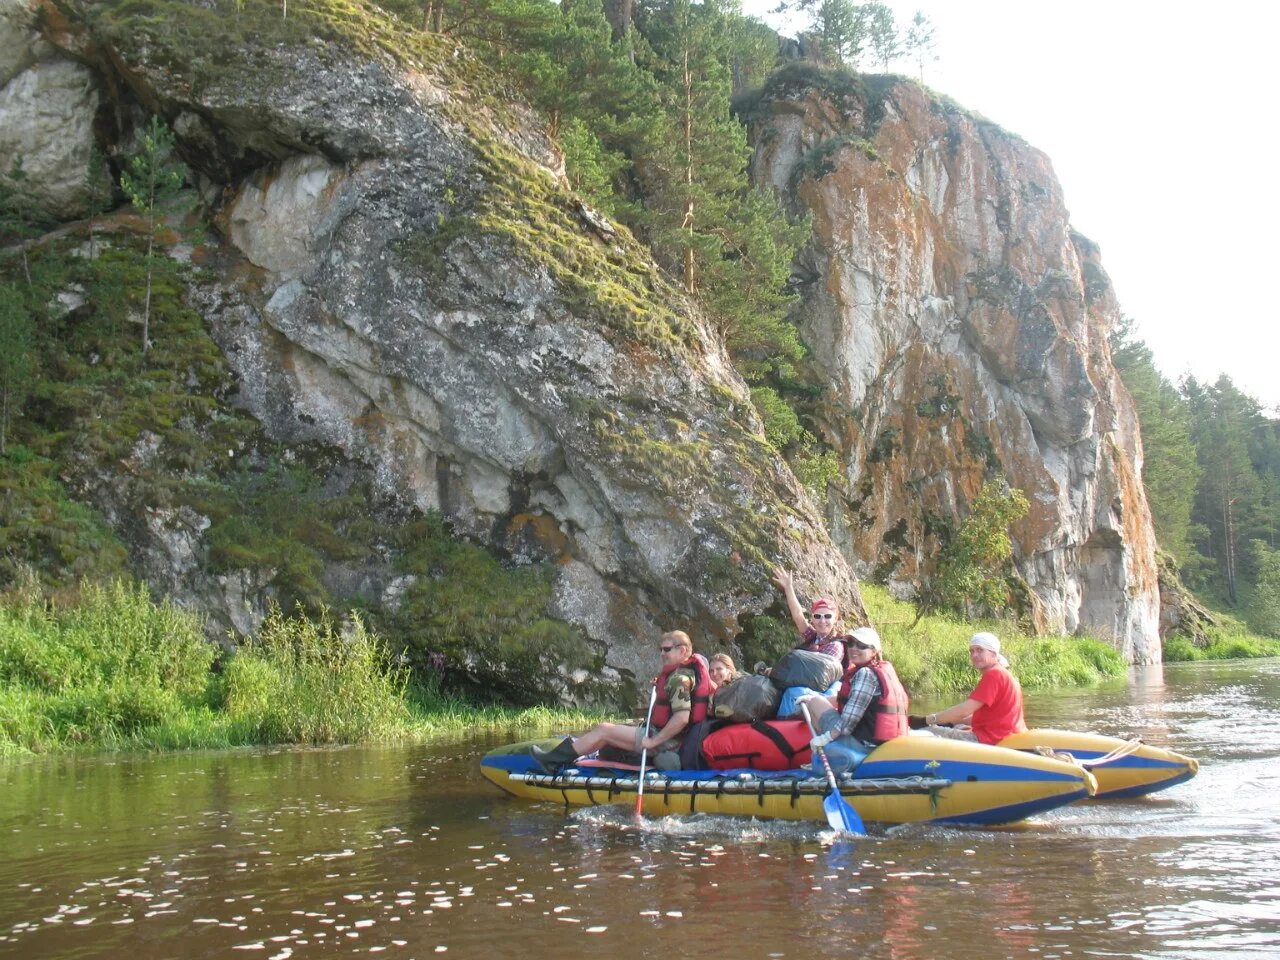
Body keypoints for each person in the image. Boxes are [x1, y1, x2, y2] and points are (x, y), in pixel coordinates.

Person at [531, 630, 713, 773]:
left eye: (666, 649)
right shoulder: (685, 674)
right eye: (661, 650)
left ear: (682, 650)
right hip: (669, 738)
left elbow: (681, 718)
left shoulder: (679, 679)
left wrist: (654, 741)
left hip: (668, 742)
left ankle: (551, 761)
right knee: (609, 735)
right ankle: (564, 758)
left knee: (604, 729)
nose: (662, 654)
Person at [800, 626, 909, 774]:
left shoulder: (865, 674)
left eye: (861, 645)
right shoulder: (880, 670)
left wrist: (826, 737)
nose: (854, 648)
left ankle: (825, 755)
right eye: (851, 643)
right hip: (878, 742)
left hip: (862, 744)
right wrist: (814, 698)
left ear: (874, 651)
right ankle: (825, 753)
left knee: (814, 703)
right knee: (814, 699)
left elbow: (849, 720)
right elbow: (847, 700)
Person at [908, 632, 1027, 744]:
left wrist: (926, 720)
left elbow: (965, 710)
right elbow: (983, 718)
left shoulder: (994, 675)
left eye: (980, 650)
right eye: (972, 651)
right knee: (955, 726)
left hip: (991, 739)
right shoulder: (1004, 674)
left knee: (927, 731)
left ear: (994, 654)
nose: (974, 655)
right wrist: (948, 722)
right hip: (1005, 734)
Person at [768, 567, 847, 717]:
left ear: (835, 619)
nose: (822, 621)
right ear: (813, 619)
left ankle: (783, 724)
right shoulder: (813, 636)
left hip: (823, 692)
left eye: (827, 616)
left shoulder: (836, 645)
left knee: (793, 691)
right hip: (809, 687)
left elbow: (815, 674)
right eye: (817, 616)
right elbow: (798, 616)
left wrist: (778, 671)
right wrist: (789, 588)